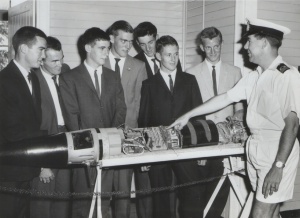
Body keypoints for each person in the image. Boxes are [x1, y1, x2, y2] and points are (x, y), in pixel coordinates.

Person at [169, 18, 300, 218]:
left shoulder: (286, 75)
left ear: (264, 43)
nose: (245, 46)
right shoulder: (255, 75)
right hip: (256, 149)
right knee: (270, 211)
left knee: (260, 213)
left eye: (250, 41)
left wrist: (278, 166)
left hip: (276, 152)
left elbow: (292, 125)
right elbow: (225, 98)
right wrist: (188, 115)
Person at [59, 27, 126, 218]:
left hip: (109, 149)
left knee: (104, 201)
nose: (107, 53)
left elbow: (121, 109)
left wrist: (111, 139)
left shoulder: (113, 76)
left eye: (108, 48)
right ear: (88, 48)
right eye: (102, 48)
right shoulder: (69, 78)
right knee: (83, 202)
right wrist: (89, 147)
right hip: (84, 150)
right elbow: (71, 116)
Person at [138, 35, 204, 218]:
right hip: (158, 149)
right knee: (161, 197)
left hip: (187, 146)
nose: (174, 59)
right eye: (168, 55)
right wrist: (145, 156)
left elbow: (199, 116)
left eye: (176, 54)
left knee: (192, 193)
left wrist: (202, 150)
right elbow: (144, 121)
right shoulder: (149, 85)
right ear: (158, 56)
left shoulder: (189, 80)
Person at [186, 26, 243, 217]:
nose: (213, 51)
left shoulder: (235, 72)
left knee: (220, 190)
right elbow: (190, 111)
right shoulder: (190, 73)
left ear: (221, 45)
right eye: (208, 47)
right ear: (202, 48)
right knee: (199, 191)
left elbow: (240, 107)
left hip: (227, 144)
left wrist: (236, 120)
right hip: (202, 141)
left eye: (216, 47)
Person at [0, 26, 47, 218]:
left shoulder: (33, 78)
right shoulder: (4, 81)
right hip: (9, 170)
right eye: (41, 49)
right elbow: (12, 131)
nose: (43, 55)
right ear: (23, 49)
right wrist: (50, 138)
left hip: (27, 166)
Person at [104, 20, 147, 218]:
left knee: (122, 193)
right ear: (111, 38)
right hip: (102, 136)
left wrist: (137, 138)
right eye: (123, 40)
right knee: (101, 191)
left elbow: (139, 104)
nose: (128, 46)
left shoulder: (138, 66)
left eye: (130, 42)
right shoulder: (99, 60)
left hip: (127, 137)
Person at [30, 36, 71, 218]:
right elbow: (31, 127)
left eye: (62, 59)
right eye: (54, 61)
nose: (60, 65)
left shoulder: (66, 73)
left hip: (66, 141)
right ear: (41, 60)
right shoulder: (33, 80)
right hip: (45, 144)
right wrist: (42, 165)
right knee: (42, 202)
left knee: (62, 199)